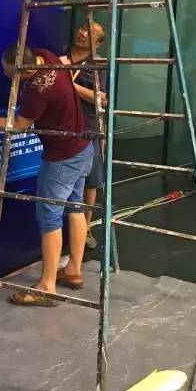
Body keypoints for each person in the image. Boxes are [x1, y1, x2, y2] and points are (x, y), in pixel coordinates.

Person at [0, 42, 93, 306]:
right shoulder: (46, 56)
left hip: (62, 158)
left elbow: (18, 125)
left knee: (50, 218)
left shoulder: (38, 90)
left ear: (27, 71)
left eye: (10, 73)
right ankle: (73, 269)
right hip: (82, 147)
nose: (6, 76)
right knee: (75, 207)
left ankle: (47, 287)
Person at [61, 22, 108, 250]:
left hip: (89, 129)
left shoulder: (99, 65)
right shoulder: (61, 55)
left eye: (91, 33)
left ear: (97, 44)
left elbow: (101, 99)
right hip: (61, 126)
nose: (83, 33)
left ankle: (86, 228)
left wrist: (70, 83)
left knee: (91, 181)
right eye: (82, 28)